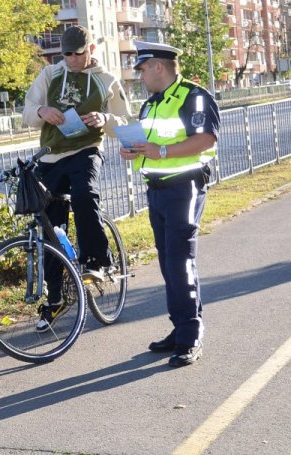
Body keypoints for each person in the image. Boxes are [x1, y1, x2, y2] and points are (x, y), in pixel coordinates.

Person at [23, 25, 132, 332]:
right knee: (50, 227)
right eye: (66, 54)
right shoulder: (49, 76)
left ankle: (97, 261)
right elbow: (28, 111)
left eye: (78, 53)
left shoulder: (106, 80)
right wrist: (43, 111)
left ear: (91, 50)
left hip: (86, 150)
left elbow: (125, 120)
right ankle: (56, 299)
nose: (71, 59)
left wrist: (105, 118)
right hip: (51, 156)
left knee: (85, 195)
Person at [119, 40, 221, 367]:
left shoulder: (194, 96)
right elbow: (151, 144)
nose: (141, 76)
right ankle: (180, 328)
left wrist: (160, 152)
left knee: (180, 261)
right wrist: (132, 150)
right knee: (168, 262)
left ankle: (191, 335)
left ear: (158, 66)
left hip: (185, 188)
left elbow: (206, 138)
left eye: (143, 69)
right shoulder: (150, 105)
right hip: (158, 191)